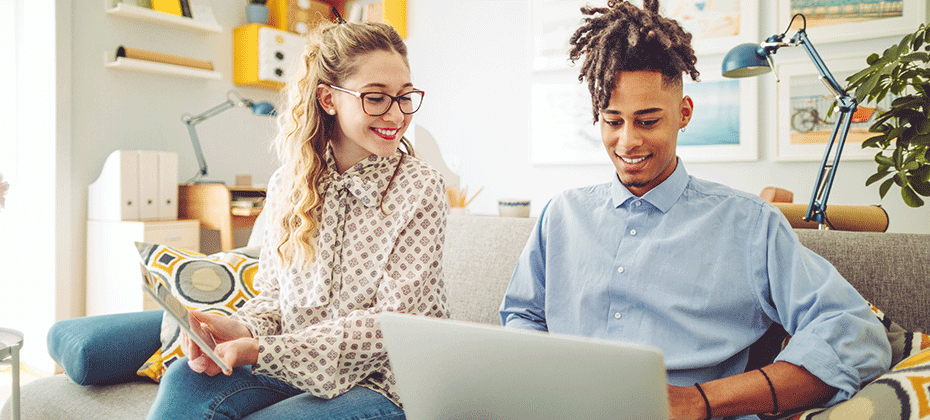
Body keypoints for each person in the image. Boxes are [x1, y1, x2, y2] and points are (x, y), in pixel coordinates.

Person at [499, 1, 891, 419]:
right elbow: (521, 315)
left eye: (647, 121)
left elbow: (857, 335)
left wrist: (700, 400)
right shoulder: (561, 215)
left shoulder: (749, 224)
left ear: (683, 114)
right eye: (613, 121)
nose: (628, 141)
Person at [146, 19, 448, 420]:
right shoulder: (289, 182)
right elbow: (274, 297)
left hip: (388, 380)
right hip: (293, 365)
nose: (396, 114)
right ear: (328, 99)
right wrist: (242, 329)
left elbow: (391, 325)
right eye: (375, 98)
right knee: (186, 379)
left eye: (405, 96)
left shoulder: (421, 187)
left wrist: (262, 350)